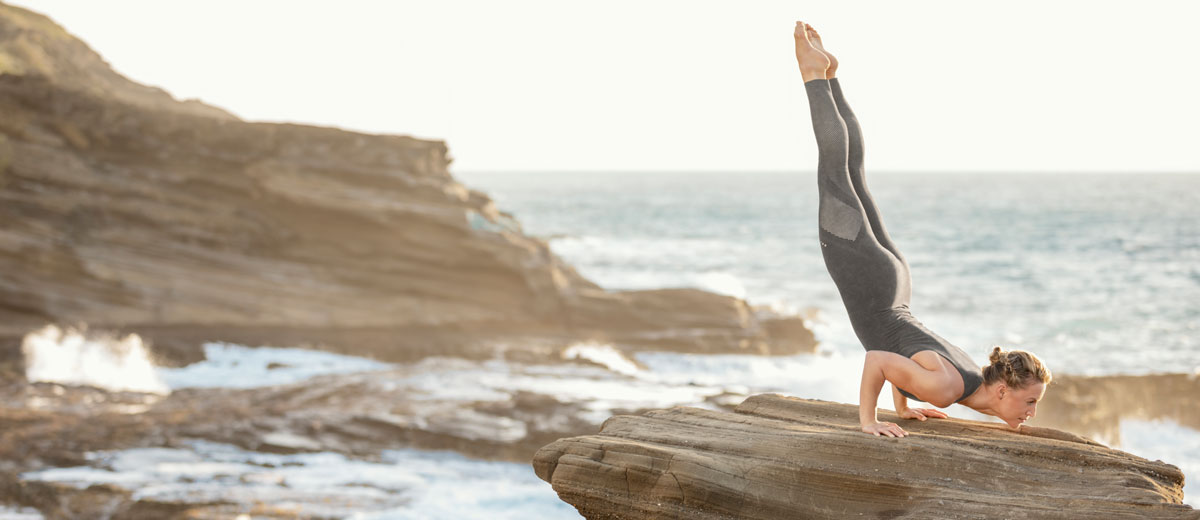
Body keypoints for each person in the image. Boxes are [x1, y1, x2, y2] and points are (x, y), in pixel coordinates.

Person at [793, 21, 1053, 438]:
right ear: (1002, 390)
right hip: (878, 285)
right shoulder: (949, 388)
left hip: (891, 283)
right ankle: (813, 75)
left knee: (852, 176)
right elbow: (878, 357)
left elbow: (907, 354)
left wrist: (906, 404)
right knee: (836, 174)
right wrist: (869, 421)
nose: (1031, 412)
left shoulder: (965, 377)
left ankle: (830, 75)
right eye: (1030, 401)